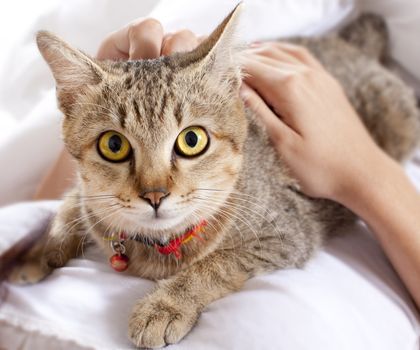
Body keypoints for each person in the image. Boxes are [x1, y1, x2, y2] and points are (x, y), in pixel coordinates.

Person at [34, 18, 420, 308]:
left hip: (359, 91)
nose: (155, 190)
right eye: (116, 146)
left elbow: (289, 240)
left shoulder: (247, 208)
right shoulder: (93, 197)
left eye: (190, 141)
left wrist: (192, 289)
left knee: (401, 118)